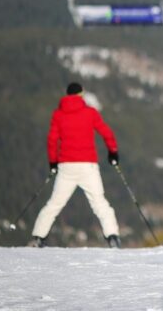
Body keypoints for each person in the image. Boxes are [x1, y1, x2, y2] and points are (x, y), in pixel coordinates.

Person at [30, 82, 122, 248]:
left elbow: (52, 140)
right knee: (100, 204)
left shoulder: (58, 115)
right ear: (81, 94)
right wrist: (113, 152)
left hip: (66, 167)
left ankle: (38, 237)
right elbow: (107, 133)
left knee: (54, 204)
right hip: (88, 166)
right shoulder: (90, 113)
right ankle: (112, 237)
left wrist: (52, 163)